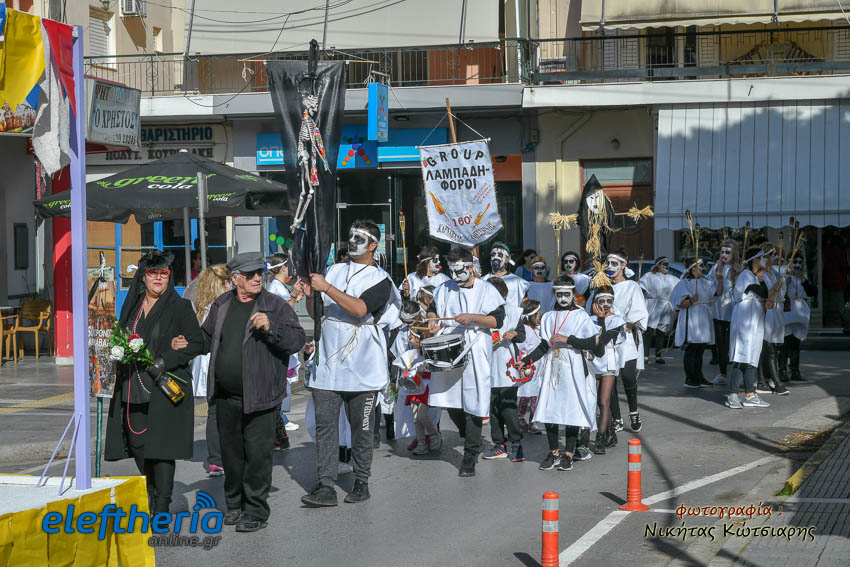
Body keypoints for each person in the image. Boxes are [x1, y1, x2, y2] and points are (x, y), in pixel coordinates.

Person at [187, 252, 305, 532]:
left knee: (257, 456)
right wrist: (185, 343)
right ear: (235, 278)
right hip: (225, 396)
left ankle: (255, 511)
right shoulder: (222, 304)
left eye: (259, 273)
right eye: (250, 274)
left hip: (261, 396)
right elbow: (207, 338)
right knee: (231, 455)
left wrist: (271, 327)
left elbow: (297, 340)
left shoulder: (274, 305)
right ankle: (235, 505)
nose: (256, 278)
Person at [301, 219, 402, 507]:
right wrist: (311, 295)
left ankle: (361, 481)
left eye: (360, 238)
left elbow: (360, 309)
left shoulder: (380, 279)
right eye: (351, 235)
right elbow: (317, 312)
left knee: (361, 427)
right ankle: (325, 485)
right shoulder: (333, 270)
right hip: (328, 362)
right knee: (326, 426)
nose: (352, 241)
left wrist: (326, 287)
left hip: (361, 363)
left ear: (373, 245)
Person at [104, 250, 204, 515]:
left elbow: (198, 343)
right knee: (138, 445)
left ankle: (161, 505)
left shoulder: (179, 307)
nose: (158, 278)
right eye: (153, 273)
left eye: (164, 273)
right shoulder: (133, 306)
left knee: (162, 449)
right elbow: (121, 336)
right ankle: (152, 491)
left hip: (164, 387)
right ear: (143, 277)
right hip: (133, 384)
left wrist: (167, 358)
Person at [426, 247, 505, 477]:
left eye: (459, 270)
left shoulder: (486, 289)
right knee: (450, 400)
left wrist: (473, 317)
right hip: (449, 346)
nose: (454, 275)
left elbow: (497, 320)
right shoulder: (444, 288)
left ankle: (470, 456)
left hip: (475, 346)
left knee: (474, 400)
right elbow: (432, 310)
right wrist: (432, 320)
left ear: (471, 267)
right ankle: (467, 433)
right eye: (451, 270)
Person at [528, 275, 599, 472]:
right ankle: (553, 452)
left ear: (573, 293)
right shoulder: (548, 316)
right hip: (552, 365)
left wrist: (568, 339)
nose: (563, 298)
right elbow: (544, 346)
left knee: (571, 410)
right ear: (554, 293)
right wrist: (526, 361)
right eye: (559, 294)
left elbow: (592, 343)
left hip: (573, 365)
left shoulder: (580, 316)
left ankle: (568, 453)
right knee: (550, 409)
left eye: (567, 294)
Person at [587, 250, 649, 432]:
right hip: (606, 339)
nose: (610, 267)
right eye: (608, 263)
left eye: (614, 263)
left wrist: (624, 325)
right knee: (609, 378)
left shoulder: (632, 286)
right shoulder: (601, 286)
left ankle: (634, 411)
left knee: (628, 376)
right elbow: (591, 308)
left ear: (623, 265)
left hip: (625, 337)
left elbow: (639, 311)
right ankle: (616, 417)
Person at [187, 264, 231, 477]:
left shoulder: (199, 305)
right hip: (218, 360)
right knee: (225, 409)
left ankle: (215, 460)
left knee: (213, 411)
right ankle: (226, 455)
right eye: (227, 281)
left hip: (203, 362)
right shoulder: (222, 306)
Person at [482, 277, 526, 463]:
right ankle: (499, 444)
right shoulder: (481, 312)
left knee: (508, 406)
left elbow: (522, 335)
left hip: (507, 366)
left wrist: (514, 333)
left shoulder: (513, 312)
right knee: (493, 407)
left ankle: (516, 443)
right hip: (487, 365)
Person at [266, 253, 307, 449]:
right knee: (281, 383)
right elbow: (281, 314)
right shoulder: (275, 287)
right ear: (283, 268)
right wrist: (292, 298)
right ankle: (279, 423)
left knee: (284, 382)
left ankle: (280, 424)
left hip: (284, 338)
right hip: (280, 339)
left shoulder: (279, 286)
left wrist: (294, 297)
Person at [391, 300, 441, 455]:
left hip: (426, 389)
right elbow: (400, 361)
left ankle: (433, 435)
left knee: (423, 416)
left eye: (412, 338)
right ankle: (420, 441)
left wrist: (419, 373)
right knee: (414, 417)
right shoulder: (410, 352)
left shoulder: (428, 351)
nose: (409, 339)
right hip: (413, 388)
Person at [726, 248, 772, 409]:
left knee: (752, 356)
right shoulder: (746, 275)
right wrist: (761, 281)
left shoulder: (754, 277)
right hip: (745, 318)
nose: (766, 260)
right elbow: (762, 292)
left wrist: (761, 280)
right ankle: (732, 394)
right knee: (742, 355)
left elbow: (763, 293)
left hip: (755, 319)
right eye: (763, 257)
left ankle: (750, 395)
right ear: (755, 260)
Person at [587, 286, 625, 455]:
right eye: (601, 301)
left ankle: (600, 438)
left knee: (604, 401)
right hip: (593, 361)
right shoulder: (589, 319)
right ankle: (610, 432)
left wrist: (601, 319)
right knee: (593, 400)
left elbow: (602, 341)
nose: (605, 304)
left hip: (608, 361)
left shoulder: (617, 320)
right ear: (595, 302)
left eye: (609, 301)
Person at [671, 258, 716, 389]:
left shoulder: (706, 282)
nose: (704, 268)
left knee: (700, 349)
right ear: (693, 268)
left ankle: (699, 376)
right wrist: (691, 300)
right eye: (701, 265)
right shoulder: (685, 283)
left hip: (704, 317)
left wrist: (719, 280)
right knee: (692, 349)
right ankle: (690, 378)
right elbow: (681, 303)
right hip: (692, 317)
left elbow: (717, 294)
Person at [758, 245, 789, 395]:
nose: (773, 258)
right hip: (767, 311)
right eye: (771, 256)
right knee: (767, 346)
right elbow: (761, 294)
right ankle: (773, 382)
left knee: (773, 347)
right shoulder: (760, 274)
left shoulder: (774, 273)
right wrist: (773, 290)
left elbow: (781, 293)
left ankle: (767, 377)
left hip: (777, 311)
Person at [707, 240, 739, 384]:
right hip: (719, 311)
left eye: (728, 252)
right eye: (722, 252)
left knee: (735, 342)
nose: (724, 255)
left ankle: (739, 374)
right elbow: (709, 285)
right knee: (721, 343)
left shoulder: (738, 268)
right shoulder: (716, 267)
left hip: (734, 311)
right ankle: (722, 372)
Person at [782, 255, 815, 382]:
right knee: (785, 342)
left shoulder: (803, 276)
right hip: (788, 310)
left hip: (800, 312)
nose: (797, 264)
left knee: (796, 343)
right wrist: (785, 283)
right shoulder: (784, 275)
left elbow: (811, 293)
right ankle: (782, 370)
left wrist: (803, 280)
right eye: (794, 261)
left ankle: (795, 370)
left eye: (800, 262)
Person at [639, 257, 678, 364]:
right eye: (664, 264)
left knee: (661, 331)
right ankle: (645, 355)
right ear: (658, 265)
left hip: (665, 306)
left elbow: (678, 290)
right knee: (648, 330)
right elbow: (641, 288)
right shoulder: (649, 276)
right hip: (651, 305)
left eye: (668, 264)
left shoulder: (672, 278)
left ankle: (658, 355)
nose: (667, 266)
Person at [516, 299, 543, 434]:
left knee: (536, 395)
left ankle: (533, 420)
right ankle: (520, 417)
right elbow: (520, 347)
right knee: (526, 394)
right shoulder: (525, 330)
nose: (541, 314)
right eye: (538, 312)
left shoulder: (538, 328)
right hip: (528, 366)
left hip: (539, 367)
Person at [483, 242, 529, 306]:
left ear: (507, 259)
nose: (495, 257)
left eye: (500, 255)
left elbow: (525, 304)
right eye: (493, 255)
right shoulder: (483, 280)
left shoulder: (518, 282)